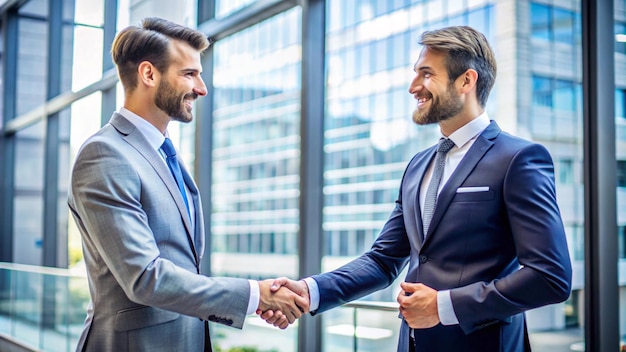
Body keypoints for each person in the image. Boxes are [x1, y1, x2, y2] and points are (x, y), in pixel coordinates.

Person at [262, 25, 572, 352]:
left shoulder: (518, 159)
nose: (413, 87)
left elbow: (550, 276)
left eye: (426, 74)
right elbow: (383, 261)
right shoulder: (417, 165)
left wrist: (444, 306)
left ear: (466, 81)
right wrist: (310, 291)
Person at [68, 17, 307, 352]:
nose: (201, 88)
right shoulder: (105, 154)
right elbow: (145, 277)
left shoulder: (165, 154)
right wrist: (256, 295)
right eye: (189, 74)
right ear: (149, 74)